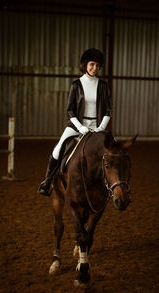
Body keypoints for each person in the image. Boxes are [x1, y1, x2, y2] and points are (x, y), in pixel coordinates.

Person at [38, 48, 112, 196]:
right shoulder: (76, 85)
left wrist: (101, 127)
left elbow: (108, 110)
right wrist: (80, 127)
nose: (94, 68)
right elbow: (70, 110)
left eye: (98, 65)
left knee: (114, 150)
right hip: (77, 125)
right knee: (58, 149)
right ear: (85, 64)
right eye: (92, 64)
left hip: (97, 126)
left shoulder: (103, 86)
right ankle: (47, 182)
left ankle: (112, 186)